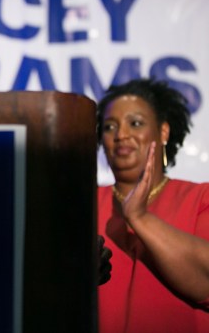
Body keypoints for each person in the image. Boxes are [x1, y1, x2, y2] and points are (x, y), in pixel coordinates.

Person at [96, 78, 209, 332]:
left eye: (135, 123)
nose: (121, 135)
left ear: (164, 131)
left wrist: (140, 218)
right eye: (110, 127)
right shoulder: (81, 203)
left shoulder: (200, 198)